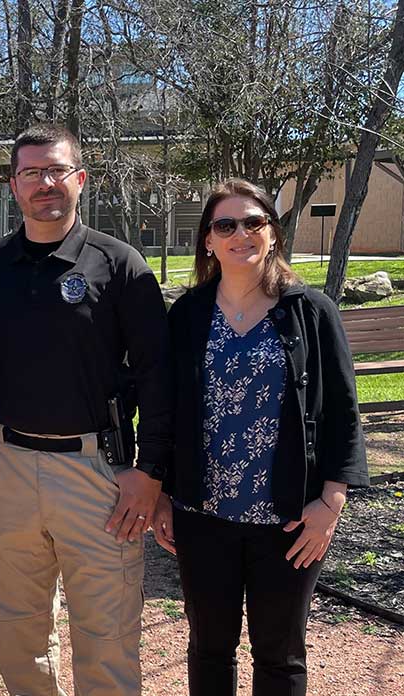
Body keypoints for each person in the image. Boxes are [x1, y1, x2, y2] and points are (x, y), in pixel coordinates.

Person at [0, 123, 172, 696]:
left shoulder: (119, 264)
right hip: (6, 467)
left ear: (80, 179)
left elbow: (159, 377)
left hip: (98, 474)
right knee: (17, 636)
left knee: (106, 640)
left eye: (57, 171)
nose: (45, 183)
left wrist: (150, 473)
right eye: (32, 173)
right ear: (13, 186)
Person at [152, 179, 369, 696]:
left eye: (254, 222)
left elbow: (343, 411)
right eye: (225, 225)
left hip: (290, 518)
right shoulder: (187, 316)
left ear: (272, 233)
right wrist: (161, 493)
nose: (240, 234)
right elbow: (166, 410)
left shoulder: (310, 312)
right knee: (209, 648)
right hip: (203, 515)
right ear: (207, 239)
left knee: (280, 654)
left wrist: (330, 504)